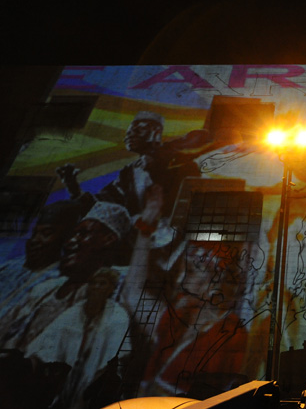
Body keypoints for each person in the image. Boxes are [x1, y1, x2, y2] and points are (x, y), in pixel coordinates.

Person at [0, 201, 131, 350]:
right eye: (73, 234)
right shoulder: (44, 290)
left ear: (108, 239)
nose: (70, 242)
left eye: (82, 233)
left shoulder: (122, 289)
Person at [57, 111, 207, 218]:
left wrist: (160, 155)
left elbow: (203, 140)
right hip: (143, 237)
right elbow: (105, 205)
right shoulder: (128, 172)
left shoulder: (174, 154)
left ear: (156, 132)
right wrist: (74, 189)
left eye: (138, 130)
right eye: (128, 132)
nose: (129, 136)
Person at [25, 268, 129, 409]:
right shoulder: (75, 311)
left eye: (102, 283)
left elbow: (115, 352)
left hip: (97, 379)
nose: (96, 287)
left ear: (111, 288)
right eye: (93, 283)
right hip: (68, 375)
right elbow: (49, 337)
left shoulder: (118, 316)